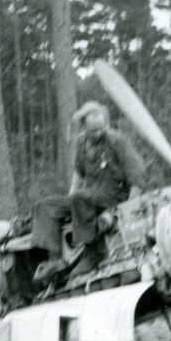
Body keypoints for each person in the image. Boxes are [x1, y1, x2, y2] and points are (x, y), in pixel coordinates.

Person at [31, 101, 146, 281]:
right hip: (89, 195)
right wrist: (71, 196)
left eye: (102, 128)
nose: (99, 133)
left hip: (113, 195)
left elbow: (137, 175)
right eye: (93, 130)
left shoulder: (116, 141)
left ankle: (91, 253)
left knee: (81, 198)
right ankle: (55, 259)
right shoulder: (82, 143)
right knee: (44, 206)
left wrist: (128, 208)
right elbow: (79, 172)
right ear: (84, 127)